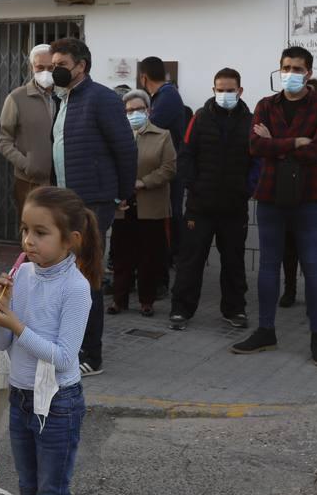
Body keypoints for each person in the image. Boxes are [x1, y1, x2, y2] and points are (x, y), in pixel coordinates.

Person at [0, 186, 99, 495]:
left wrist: (17, 323)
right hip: (21, 398)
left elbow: (65, 356)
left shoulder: (76, 288)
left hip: (57, 404)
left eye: (41, 233)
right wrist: (2, 311)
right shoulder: (25, 276)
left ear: (70, 239)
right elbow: (3, 343)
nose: (29, 242)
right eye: (24, 231)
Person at [232, 46, 317, 366]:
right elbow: (254, 145)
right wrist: (295, 143)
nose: (290, 73)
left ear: (308, 73)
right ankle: (266, 330)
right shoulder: (266, 105)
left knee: (313, 266)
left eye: (297, 68)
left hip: (310, 197)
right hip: (270, 195)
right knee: (268, 265)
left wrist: (274, 144)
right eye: (286, 67)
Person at [48, 36, 137, 376]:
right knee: (68, 275)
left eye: (61, 65)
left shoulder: (100, 98)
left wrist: (122, 195)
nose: (55, 70)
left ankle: (91, 353)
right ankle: (70, 344)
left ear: (81, 66)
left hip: (95, 200)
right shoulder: (65, 99)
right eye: (53, 64)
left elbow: (125, 148)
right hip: (68, 201)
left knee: (87, 276)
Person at [170, 68, 253, 331]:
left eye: (230, 90)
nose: (225, 94)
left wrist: (247, 189)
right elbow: (185, 155)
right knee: (190, 260)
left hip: (234, 206)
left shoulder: (251, 121)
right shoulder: (200, 117)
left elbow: (257, 161)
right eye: (220, 89)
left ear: (240, 91)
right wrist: (193, 185)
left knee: (234, 261)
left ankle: (235, 310)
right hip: (200, 206)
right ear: (213, 90)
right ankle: (181, 309)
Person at [107, 90, 174, 316]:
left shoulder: (162, 135)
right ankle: (119, 300)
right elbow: (108, 169)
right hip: (123, 205)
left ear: (148, 110)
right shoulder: (116, 136)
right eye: (128, 110)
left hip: (150, 205)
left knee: (149, 257)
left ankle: (147, 301)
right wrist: (116, 196)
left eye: (137, 109)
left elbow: (168, 168)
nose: (133, 114)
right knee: (121, 256)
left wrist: (143, 183)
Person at [0, 44, 58, 217]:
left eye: (51, 68)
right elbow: (3, 139)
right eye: (40, 67)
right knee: (30, 230)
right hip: (29, 181)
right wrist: (26, 164)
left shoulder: (66, 96)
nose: (45, 72)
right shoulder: (17, 97)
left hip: (62, 181)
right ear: (32, 67)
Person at [138, 57, 186, 271]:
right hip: (158, 168)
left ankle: (172, 258)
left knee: (170, 214)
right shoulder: (162, 96)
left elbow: (150, 128)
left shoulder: (167, 97)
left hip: (169, 168)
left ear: (144, 77)